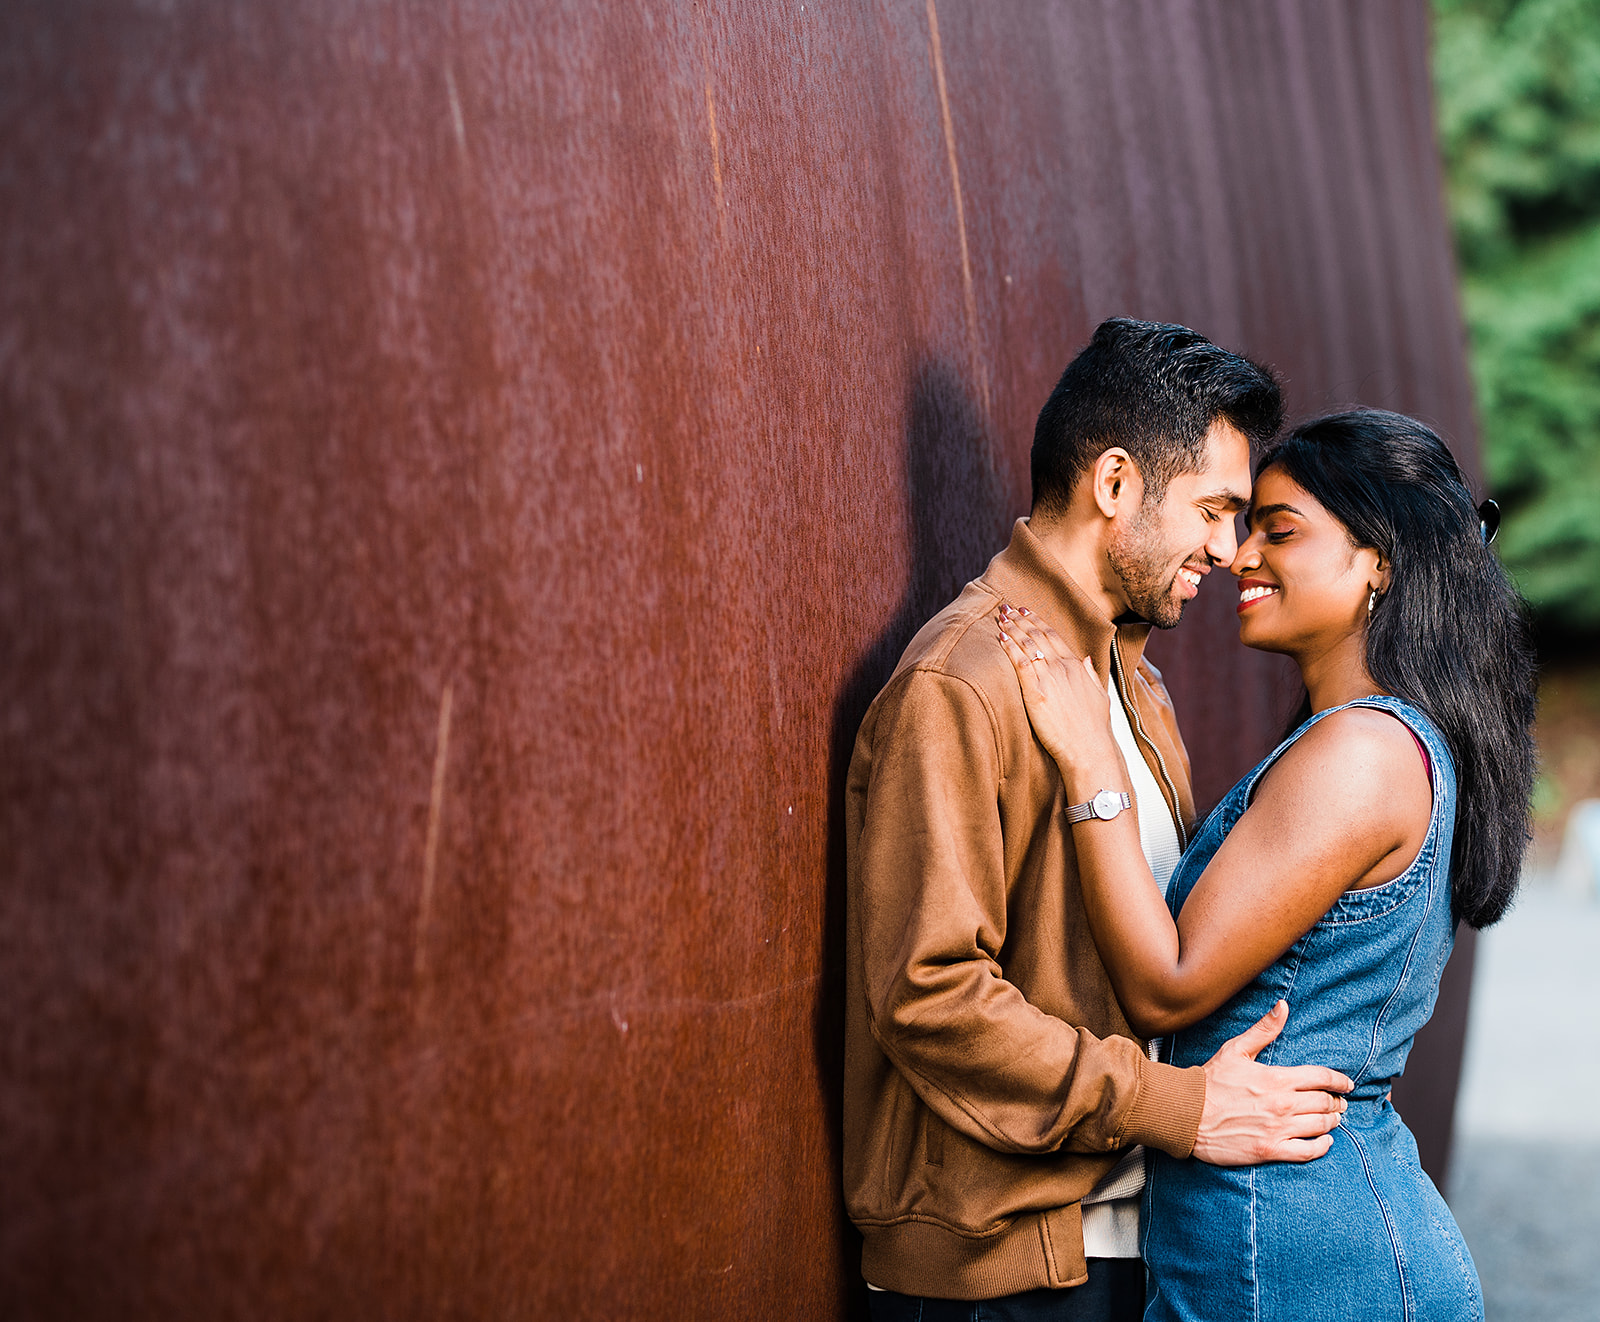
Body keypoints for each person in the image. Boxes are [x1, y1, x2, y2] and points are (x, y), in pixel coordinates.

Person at [844, 318, 1355, 1322]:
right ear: (1113, 483)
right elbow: (928, 994)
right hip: (998, 1271)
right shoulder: (964, 680)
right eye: (1211, 508)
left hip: (1123, 1242)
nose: (1226, 545)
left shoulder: (1136, 682)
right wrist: (1178, 1108)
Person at [996, 408, 1536, 1321]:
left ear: (1383, 561)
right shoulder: (1371, 739)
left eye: (1278, 531)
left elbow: (1167, 987)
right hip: (1287, 1239)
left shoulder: (1364, 752)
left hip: (1299, 1258)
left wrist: (1092, 766)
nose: (1241, 556)